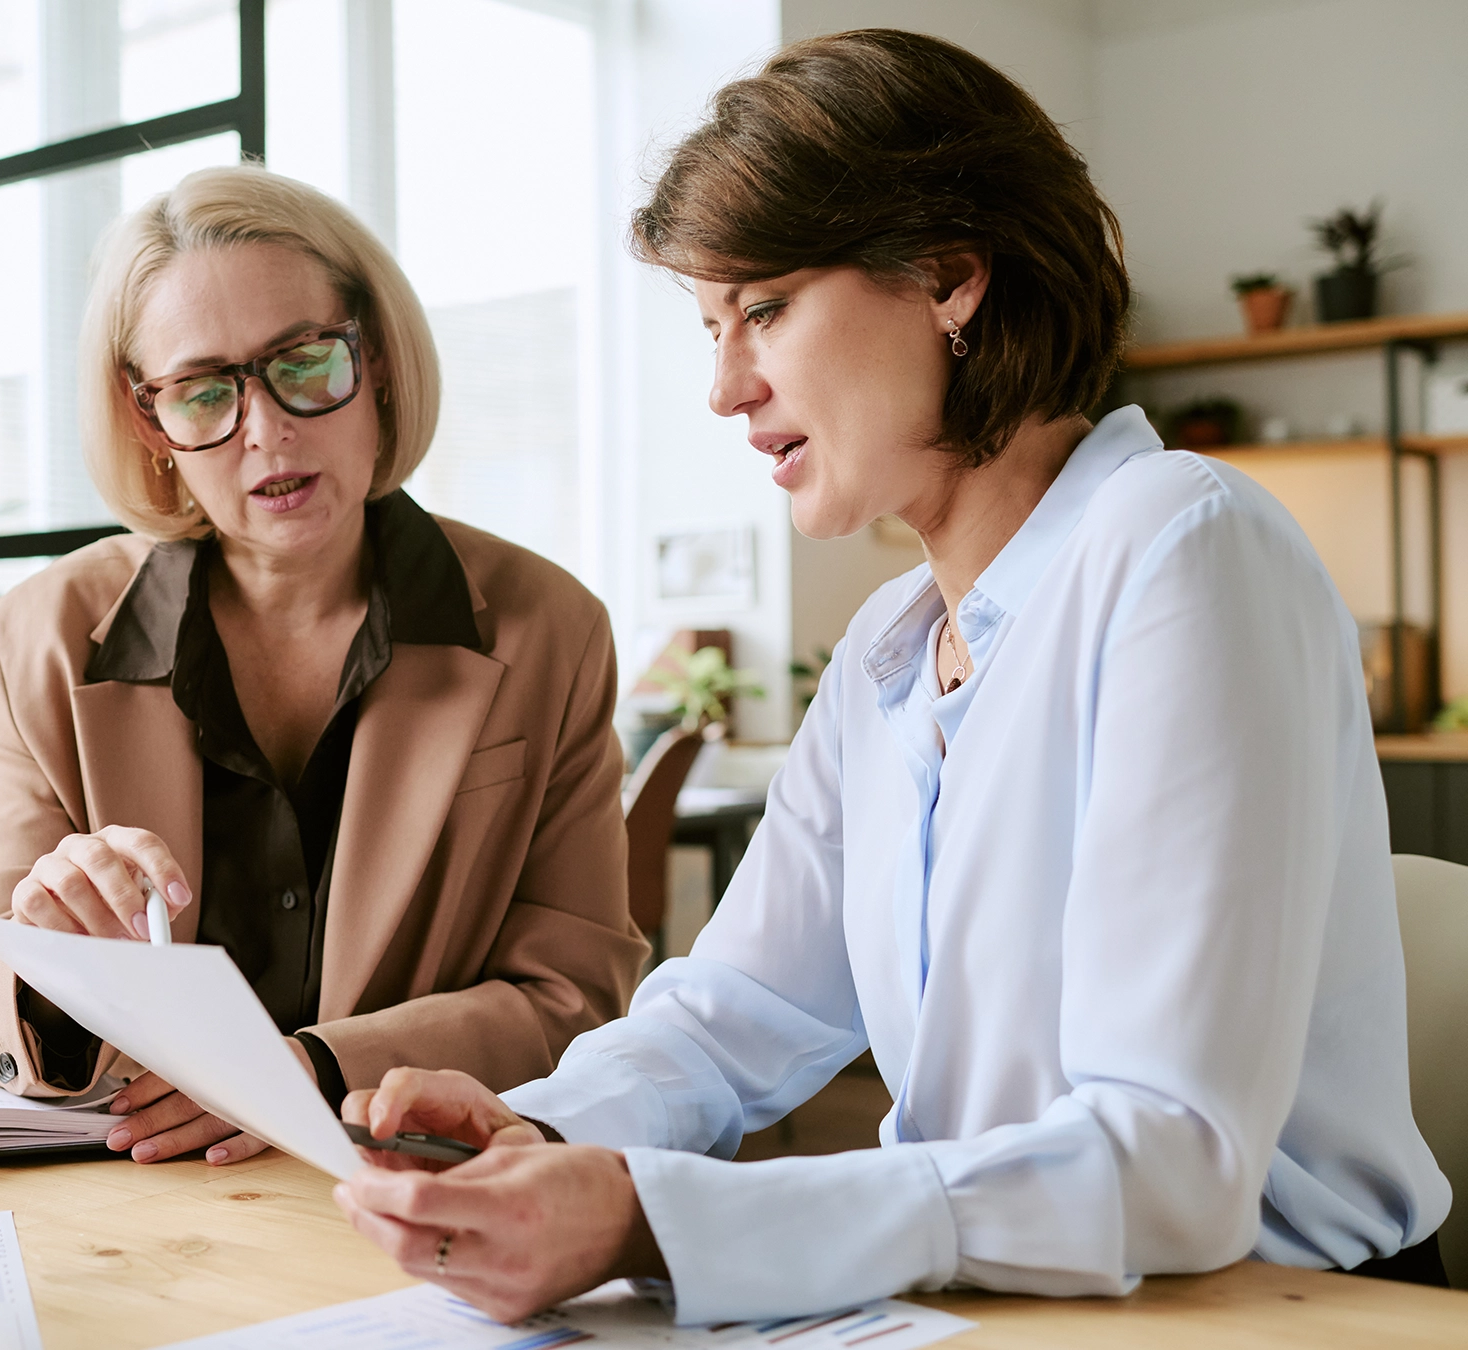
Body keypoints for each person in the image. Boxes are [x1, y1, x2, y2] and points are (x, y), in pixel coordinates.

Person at [332, 29, 1452, 1323]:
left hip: (1282, 1313)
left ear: (949, 278)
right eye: (708, 328)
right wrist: (525, 1126)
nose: (722, 388)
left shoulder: (1183, 550)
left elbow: (1174, 1161)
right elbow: (734, 1010)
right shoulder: (887, 650)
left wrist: (651, 1215)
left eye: (761, 310)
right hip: (1005, 1300)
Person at [0, 165, 646, 1168]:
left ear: (377, 357)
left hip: (420, 1178)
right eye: (204, 392)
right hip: (140, 1187)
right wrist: (44, 967)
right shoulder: (36, 640)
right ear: (151, 423)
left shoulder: (547, 628)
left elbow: (577, 996)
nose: (266, 430)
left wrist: (310, 1070)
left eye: (303, 362)